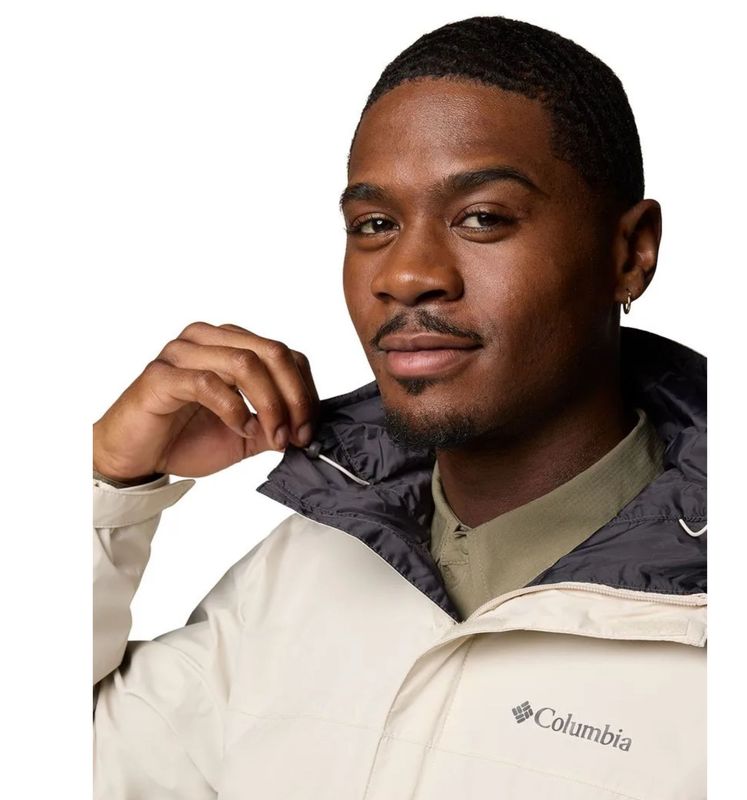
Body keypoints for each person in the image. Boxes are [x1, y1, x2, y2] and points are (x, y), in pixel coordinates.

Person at [93, 15, 706, 799]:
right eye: (375, 225)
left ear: (631, 251)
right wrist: (109, 482)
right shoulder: (302, 570)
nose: (406, 274)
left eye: (483, 217)